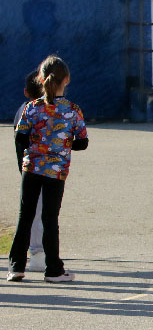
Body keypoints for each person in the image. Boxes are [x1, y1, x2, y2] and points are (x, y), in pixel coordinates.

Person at [8, 56, 88, 282]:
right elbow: (82, 142)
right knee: (50, 218)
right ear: (67, 80)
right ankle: (53, 269)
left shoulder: (31, 108)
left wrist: (37, 146)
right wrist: (62, 143)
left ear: (41, 79)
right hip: (56, 171)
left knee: (26, 215)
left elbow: (21, 136)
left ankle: (16, 266)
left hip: (32, 167)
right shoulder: (73, 110)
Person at [13, 71, 45, 273]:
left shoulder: (22, 111)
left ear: (26, 92)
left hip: (28, 168)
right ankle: (37, 254)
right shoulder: (43, 111)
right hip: (44, 169)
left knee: (31, 212)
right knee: (39, 212)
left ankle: (34, 254)